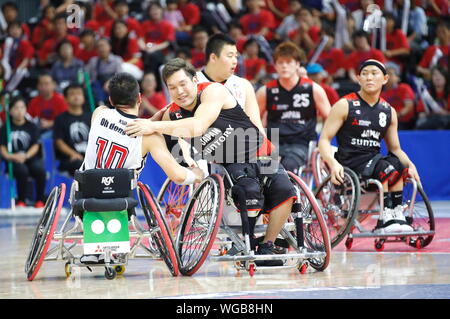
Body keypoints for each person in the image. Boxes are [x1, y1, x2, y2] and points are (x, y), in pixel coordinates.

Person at [125, 58, 297, 266]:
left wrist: (154, 126)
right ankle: (248, 242)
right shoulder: (171, 114)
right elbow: (165, 137)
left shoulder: (212, 91)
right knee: (248, 192)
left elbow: (197, 127)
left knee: (286, 191)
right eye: (172, 87)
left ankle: (268, 245)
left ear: (195, 80)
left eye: (183, 84)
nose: (179, 91)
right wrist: (187, 165)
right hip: (229, 163)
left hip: (260, 151)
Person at [318, 59, 420, 233]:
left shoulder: (389, 111)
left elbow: (395, 148)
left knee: (399, 164)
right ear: (358, 79)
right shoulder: (345, 105)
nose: (369, 78)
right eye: (364, 74)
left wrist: (410, 165)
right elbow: (324, 140)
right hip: (350, 162)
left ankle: (396, 214)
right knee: (386, 166)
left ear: (385, 79)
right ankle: (385, 216)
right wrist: (332, 163)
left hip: (373, 161)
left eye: (374, 73)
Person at [256, 41, 331, 174]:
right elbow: (253, 118)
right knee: (263, 168)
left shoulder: (313, 89)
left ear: (297, 64)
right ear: (275, 66)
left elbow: (330, 119)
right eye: (280, 62)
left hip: (301, 142)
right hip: (274, 141)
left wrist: (323, 144)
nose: (284, 66)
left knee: (286, 167)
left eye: (289, 62)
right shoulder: (265, 91)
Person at [195, 33, 266, 135]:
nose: (235, 61)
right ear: (213, 58)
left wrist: (266, 149)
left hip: (240, 146)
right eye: (230, 56)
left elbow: (256, 125)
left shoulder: (244, 85)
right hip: (202, 146)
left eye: (236, 56)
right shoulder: (191, 83)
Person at [0, 97, 46, 208]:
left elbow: (36, 145)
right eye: (16, 108)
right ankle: (21, 200)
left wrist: (26, 156)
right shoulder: (6, 128)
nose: (19, 111)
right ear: (10, 111)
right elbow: (2, 148)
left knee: (39, 170)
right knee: (22, 171)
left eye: (22, 107)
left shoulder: (32, 126)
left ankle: (40, 200)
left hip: (29, 157)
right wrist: (11, 156)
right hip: (13, 160)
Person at [53, 84, 91, 177]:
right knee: (80, 165)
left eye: (79, 93)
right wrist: (73, 154)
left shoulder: (91, 117)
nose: (76, 96)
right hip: (70, 159)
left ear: (83, 98)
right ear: (65, 99)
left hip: (90, 157)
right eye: (72, 94)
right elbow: (59, 142)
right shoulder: (60, 119)